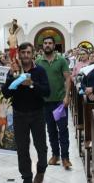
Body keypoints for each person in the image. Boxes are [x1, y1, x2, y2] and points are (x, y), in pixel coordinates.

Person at [2, 42, 50, 183]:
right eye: (23, 53)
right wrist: (12, 77)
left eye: (28, 52)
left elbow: (47, 92)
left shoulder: (39, 71)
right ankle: (27, 177)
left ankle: (41, 169)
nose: (26, 55)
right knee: (22, 149)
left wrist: (32, 84)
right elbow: (6, 93)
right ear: (19, 54)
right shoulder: (13, 71)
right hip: (19, 114)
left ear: (33, 53)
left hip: (37, 114)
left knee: (41, 146)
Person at [36, 36, 72, 169]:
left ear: (54, 45)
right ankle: (55, 155)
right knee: (51, 130)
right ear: (42, 45)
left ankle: (65, 158)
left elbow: (67, 79)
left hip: (59, 102)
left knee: (62, 129)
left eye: (50, 43)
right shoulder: (38, 61)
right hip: (45, 103)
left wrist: (67, 96)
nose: (47, 45)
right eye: (45, 43)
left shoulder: (61, 60)